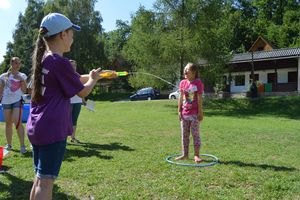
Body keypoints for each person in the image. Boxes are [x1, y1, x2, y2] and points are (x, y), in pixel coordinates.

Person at [26, 13, 115, 200]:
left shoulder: (46, 59)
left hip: (38, 127)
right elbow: (82, 91)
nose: (73, 37)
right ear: (62, 35)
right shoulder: (60, 62)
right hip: (52, 128)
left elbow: (73, 79)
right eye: (71, 33)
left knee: (39, 179)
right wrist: (92, 80)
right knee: (46, 183)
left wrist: (95, 76)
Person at [176, 63, 204, 163]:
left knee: (195, 135)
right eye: (184, 69)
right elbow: (180, 97)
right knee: (184, 135)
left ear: (194, 72)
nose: (185, 71)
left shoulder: (198, 83)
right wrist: (179, 111)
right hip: (184, 114)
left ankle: (196, 155)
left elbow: (200, 98)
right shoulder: (182, 83)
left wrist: (200, 112)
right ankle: (185, 154)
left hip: (194, 114)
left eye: (187, 69)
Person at [0, 57, 27, 154]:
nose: (18, 65)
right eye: (16, 63)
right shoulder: (3, 76)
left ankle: (22, 146)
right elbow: (1, 91)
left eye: (19, 63)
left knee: (17, 122)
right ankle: (9, 145)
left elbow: (24, 90)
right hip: (6, 101)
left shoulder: (22, 75)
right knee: (8, 123)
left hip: (17, 100)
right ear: (11, 63)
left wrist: (22, 80)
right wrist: (3, 84)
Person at [69, 59, 86, 143]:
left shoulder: (79, 76)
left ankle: (73, 138)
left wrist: (83, 99)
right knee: (65, 120)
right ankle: (62, 138)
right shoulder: (65, 76)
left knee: (74, 120)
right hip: (68, 102)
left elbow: (82, 89)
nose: (73, 67)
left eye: (74, 65)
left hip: (77, 101)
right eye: (71, 65)